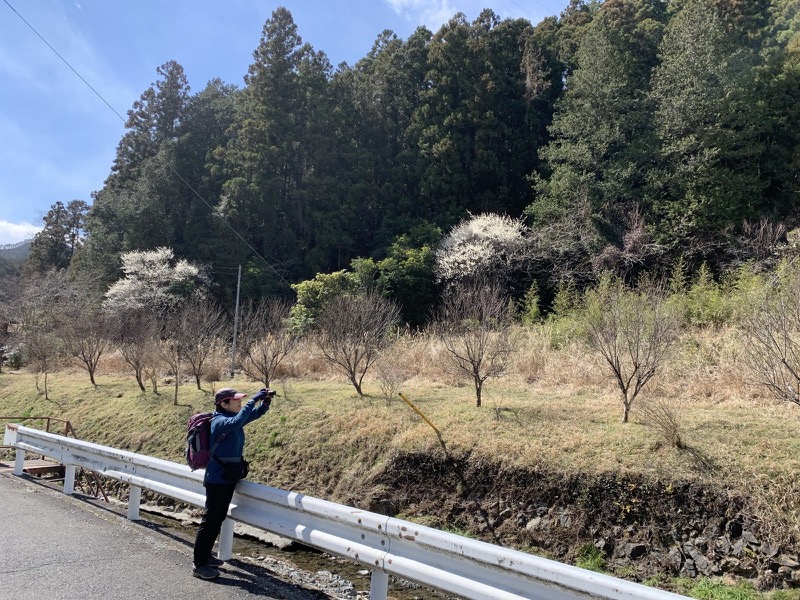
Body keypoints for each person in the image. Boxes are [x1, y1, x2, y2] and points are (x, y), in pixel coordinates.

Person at [192, 386, 272, 580]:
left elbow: (251, 415)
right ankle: (199, 564)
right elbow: (239, 419)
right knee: (210, 520)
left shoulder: (232, 421)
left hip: (226, 478)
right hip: (217, 480)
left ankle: (205, 557)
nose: (239, 402)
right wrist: (254, 399)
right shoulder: (220, 421)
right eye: (235, 400)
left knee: (217, 519)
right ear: (223, 404)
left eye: (240, 400)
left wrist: (265, 403)